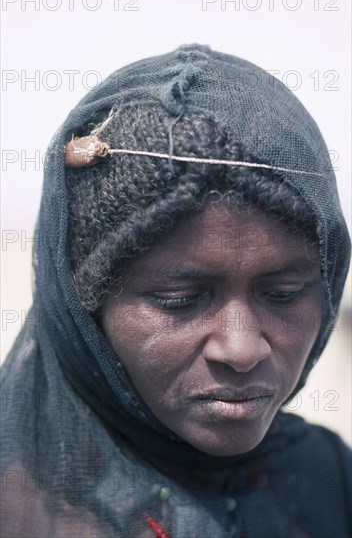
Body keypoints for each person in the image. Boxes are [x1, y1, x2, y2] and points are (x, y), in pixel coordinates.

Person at [1, 44, 351, 537]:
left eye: (285, 293)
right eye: (179, 300)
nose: (241, 349)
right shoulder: (23, 509)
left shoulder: (329, 479)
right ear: (86, 304)